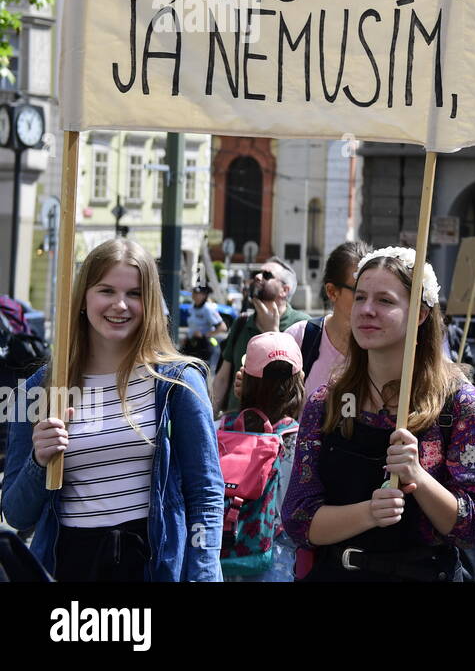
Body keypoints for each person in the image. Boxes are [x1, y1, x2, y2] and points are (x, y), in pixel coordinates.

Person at [2, 239, 224, 581]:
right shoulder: (39, 390)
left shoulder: (177, 383)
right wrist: (39, 461)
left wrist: (203, 576)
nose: (120, 305)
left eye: (135, 294)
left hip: (152, 566)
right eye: (106, 290)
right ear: (83, 298)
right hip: (70, 567)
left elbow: (205, 495)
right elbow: (17, 515)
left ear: (150, 303)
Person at [282, 246, 475, 582]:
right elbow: (298, 519)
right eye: (361, 297)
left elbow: (472, 526)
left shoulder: (460, 404)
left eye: (385, 301)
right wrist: (368, 513)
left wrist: (418, 478)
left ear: (420, 314)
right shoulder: (327, 402)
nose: (366, 310)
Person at [220, 331, 306, 582]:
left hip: (218, 557)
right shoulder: (303, 442)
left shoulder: (218, 430)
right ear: (299, 381)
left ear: (244, 379)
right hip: (275, 560)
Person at [212, 256, 309, 414]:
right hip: (235, 429)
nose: (257, 277)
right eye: (257, 273)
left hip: (277, 432)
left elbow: (296, 386)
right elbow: (222, 379)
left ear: (285, 290)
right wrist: (210, 420)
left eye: (267, 275)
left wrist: (273, 333)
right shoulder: (241, 323)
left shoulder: (303, 326)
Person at [284, 241, 370, 404]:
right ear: (332, 291)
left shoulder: (382, 347)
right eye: (359, 293)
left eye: (376, 293)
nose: (369, 304)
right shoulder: (299, 338)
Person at [184, 283, 228, 370]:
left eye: (198, 293)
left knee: (201, 371)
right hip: (191, 344)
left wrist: (204, 335)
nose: (194, 295)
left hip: (203, 345)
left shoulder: (208, 309)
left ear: (204, 295)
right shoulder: (192, 308)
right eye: (194, 292)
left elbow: (223, 327)